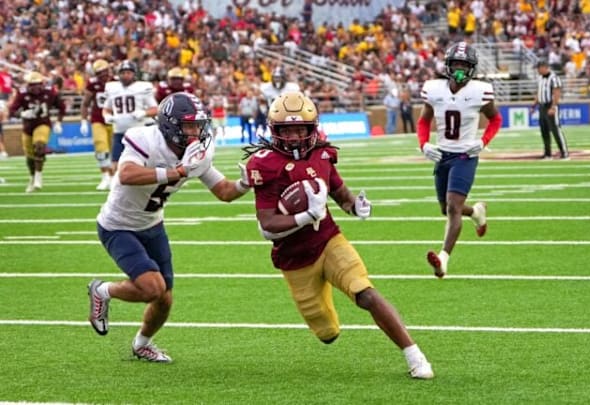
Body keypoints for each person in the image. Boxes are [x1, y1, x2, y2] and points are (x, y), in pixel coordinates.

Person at [243, 92, 434, 379]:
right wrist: (307, 216)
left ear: (312, 129)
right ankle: (325, 295)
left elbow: (340, 194)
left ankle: (415, 356)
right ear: (275, 131)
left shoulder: (322, 154)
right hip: (295, 259)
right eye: (287, 130)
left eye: (300, 130)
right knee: (327, 332)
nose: (294, 137)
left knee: (365, 293)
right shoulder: (265, 165)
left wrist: (354, 206)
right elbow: (267, 224)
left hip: (329, 240)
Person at [87, 92, 251, 362]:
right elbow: (126, 174)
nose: (196, 131)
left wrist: (244, 184)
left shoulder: (197, 151)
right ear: (169, 125)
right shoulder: (146, 140)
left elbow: (223, 191)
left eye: (198, 125)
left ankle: (142, 344)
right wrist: (176, 172)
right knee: (152, 287)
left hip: (153, 224)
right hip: (118, 226)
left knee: (164, 299)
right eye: (189, 125)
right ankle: (102, 291)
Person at [416, 41, 502, 278]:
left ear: (472, 67)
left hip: (465, 155)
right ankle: (475, 213)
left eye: (464, 65)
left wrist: (483, 142)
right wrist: (423, 144)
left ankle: (443, 259)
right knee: (445, 208)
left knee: (453, 207)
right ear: (448, 66)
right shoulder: (434, 89)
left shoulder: (480, 91)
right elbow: (424, 120)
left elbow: (495, 120)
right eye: (456, 64)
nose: (460, 69)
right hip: (442, 154)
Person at [7, 71, 65, 193]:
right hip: (27, 127)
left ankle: (38, 176)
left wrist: (59, 122)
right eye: (32, 85)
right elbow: (12, 111)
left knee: (39, 145)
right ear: (28, 85)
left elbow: (61, 106)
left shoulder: (50, 92)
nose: (35, 87)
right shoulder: (22, 93)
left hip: (43, 123)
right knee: (30, 156)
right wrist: (22, 113)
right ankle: (32, 176)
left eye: (37, 84)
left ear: (42, 84)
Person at [103, 60, 158, 175]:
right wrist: (107, 116)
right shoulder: (112, 88)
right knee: (115, 164)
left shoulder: (142, 88)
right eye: (123, 73)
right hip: (119, 132)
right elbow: (106, 108)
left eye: (128, 72)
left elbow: (155, 109)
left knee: (142, 163)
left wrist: (143, 113)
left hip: (137, 133)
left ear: (134, 74)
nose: (125, 75)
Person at [80, 59, 114, 190]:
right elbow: (85, 103)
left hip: (114, 120)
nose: (103, 75)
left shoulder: (117, 81)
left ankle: (114, 176)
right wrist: (83, 120)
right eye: (99, 73)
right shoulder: (93, 84)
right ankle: (105, 175)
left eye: (104, 71)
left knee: (114, 151)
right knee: (101, 146)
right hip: (98, 119)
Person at [531, 59, 569, 160]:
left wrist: (553, 106)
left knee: (555, 130)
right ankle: (547, 154)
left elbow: (557, 93)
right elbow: (539, 93)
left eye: (538, 68)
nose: (537, 71)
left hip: (550, 105)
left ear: (544, 67)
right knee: (544, 131)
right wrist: (534, 106)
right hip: (542, 106)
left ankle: (564, 152)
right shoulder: (540, 78)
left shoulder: (554, 78)